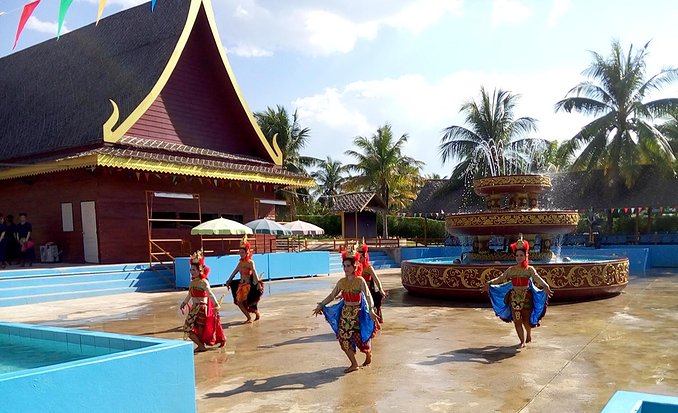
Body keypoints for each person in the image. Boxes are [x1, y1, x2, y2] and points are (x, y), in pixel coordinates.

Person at [313, 247, 379, 373]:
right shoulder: (341, 282)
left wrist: (371, 309)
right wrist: (321, 305)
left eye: (348, 266)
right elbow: (332, 296)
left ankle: (368, 353)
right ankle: (354, 364)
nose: (346, 268)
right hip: (344, 315)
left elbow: (368, 296)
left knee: (360, 339)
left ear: (355, 266)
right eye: (344, 266)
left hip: (358, 314)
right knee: (343, 339)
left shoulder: (360, 281)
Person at [482, 237, 554, 348]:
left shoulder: (529, 269)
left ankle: (528, 334)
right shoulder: (511, 270)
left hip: (526, 297)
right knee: (517, 320)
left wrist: (546, 286)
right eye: (517, 255)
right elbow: (501, 278)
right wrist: (489, 283)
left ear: (525, 256)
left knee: (526, 320)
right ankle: (522, 341)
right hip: (514, 298)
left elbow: (537, 278)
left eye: (521, 255)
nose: (519, 257)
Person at [180, 249, 226, 353]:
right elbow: (189, 295)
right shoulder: (192, 282)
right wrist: (183, 304)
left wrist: (216, 305)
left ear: (200, 270)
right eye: (191, 270)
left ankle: (202, 345)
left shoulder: (204, 282)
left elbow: (210, 294)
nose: (192, 272)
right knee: (187, 328)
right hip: (194, 309)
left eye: (194, 270)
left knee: (200, 330)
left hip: (201, 309)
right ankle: (201, 345)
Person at [226, 235, 263, 324]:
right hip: (240, 285)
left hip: (248, 286)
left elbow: (254, 272)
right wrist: (229, 280)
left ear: (247, 253)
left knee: (247, 302)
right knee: (239, 302)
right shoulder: (240, 263)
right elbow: (234, 272)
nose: (241, 254)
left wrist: (258, 282)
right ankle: (249, 317)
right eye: (240, 252)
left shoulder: (250, 263)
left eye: (242, 252)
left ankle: (255, 314)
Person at [358, 242, 386, 322]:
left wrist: (380, 289)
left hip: (368, 292)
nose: (359, 259)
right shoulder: (356, 267)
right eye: (358, 257)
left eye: (361, 257)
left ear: (365, 256)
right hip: (359, 291)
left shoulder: (369, 268)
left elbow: (376, 279)